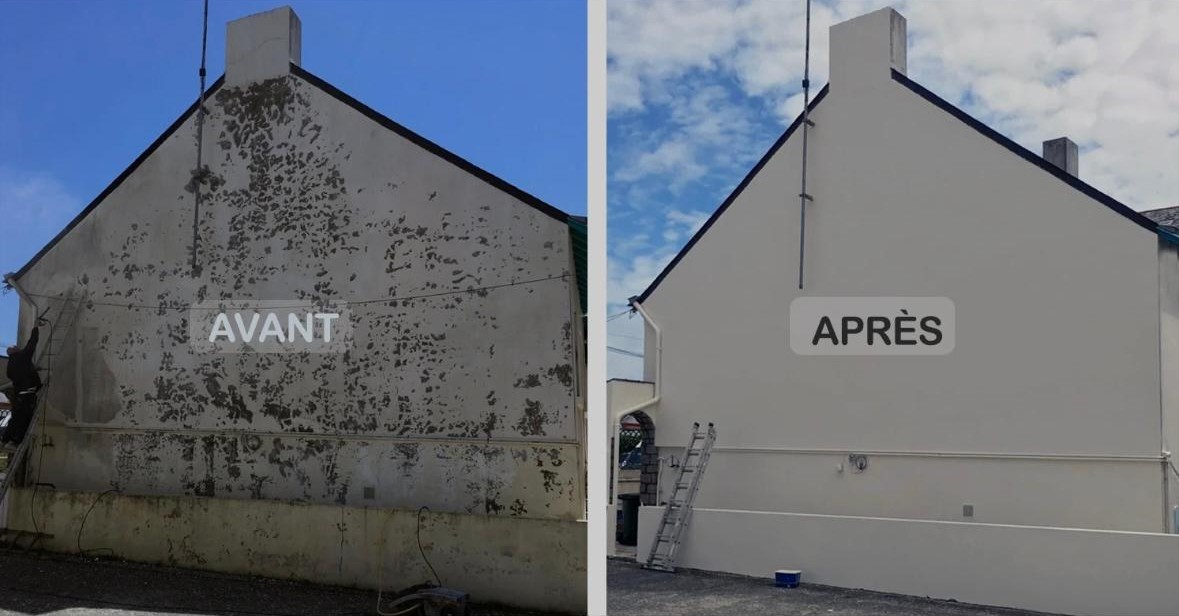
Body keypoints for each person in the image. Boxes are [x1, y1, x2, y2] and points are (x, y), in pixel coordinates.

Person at [2, 325, 41, 446]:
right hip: (27, 395)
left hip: (18, 395)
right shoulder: (23, 356)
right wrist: (35, 328)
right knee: (24, 420)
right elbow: (32, 343)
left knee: (15, 419)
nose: (18, 347)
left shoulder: (10, 366)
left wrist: (32, 370)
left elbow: (14, 376)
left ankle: (5, 439)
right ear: (14, 351)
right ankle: (16, 442)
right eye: (16, 347)